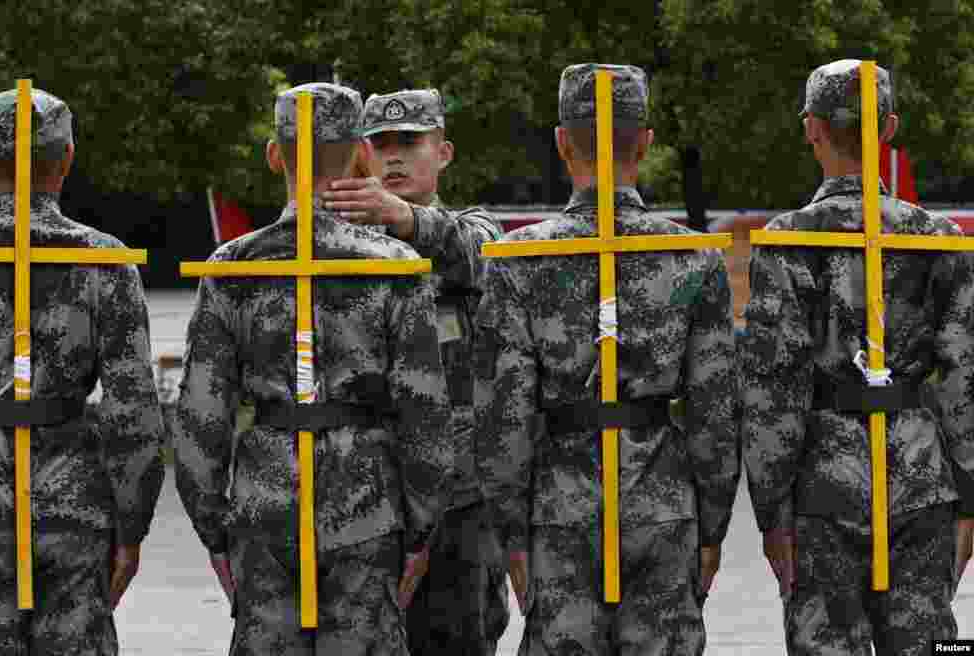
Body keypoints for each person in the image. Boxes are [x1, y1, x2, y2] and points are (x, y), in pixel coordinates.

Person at [172, 82, 454, 655]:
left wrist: (215, 531)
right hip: (368, 506)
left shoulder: (234, 265)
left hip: (264, 501)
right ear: (357, 153)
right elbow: (424, 412)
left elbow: (201, 414)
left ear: (276, 155)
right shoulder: (395, 264)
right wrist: (419, 531)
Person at [472, 63, 739, 654]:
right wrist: (712, 525)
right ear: (645, 142)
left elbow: (503, 416)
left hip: (559, 503)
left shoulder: (518, 260)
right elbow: (715, 411)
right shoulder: (693, 257)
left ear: (562, 142)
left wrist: (512, 533)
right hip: (662, 501)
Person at [742, 59, 974, 654]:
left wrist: (772, 511)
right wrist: (969, 496)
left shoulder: (786, 241)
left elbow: (774, 389)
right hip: (923, 481)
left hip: (823, 488)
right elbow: (962, 377)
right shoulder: (941, 240)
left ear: (811, 128)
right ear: (889, 127)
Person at [0, 88, 166, 654]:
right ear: (67, 158)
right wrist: (132, 524)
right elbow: (133, 410)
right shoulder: (105, 261)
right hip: (75, 505)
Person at [321, 87, 506, 656]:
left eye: (411, 142)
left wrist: (403, 220)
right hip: (359, 489)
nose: (395, 157)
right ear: (362, 156)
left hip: (458, 495)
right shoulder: (338, 243)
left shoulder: (472, 228)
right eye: (381, 145)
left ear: (444, 153)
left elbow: (482, 259)